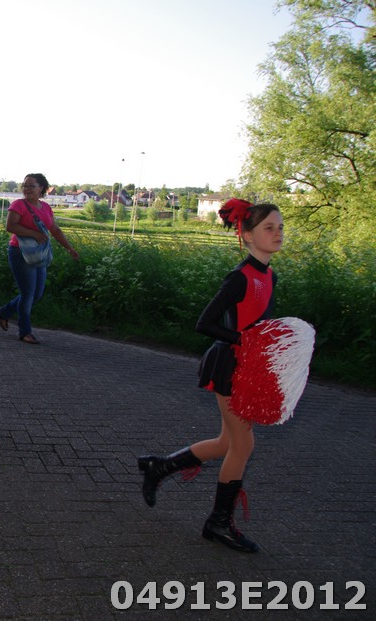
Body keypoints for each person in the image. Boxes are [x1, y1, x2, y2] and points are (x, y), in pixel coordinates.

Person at [136, 199, 284, 554]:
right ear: (247, 235)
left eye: (280, 227)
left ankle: (160, 467)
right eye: (269, 228)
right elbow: (205, 323)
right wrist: (246, 341)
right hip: (229, 366)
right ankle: (218, 522)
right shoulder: (239, 277)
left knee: (226, 443)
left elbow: (258, 324)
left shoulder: (270, 275)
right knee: (243, 446)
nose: (278, 233)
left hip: (247, 367)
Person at [0, 173, 79, 344]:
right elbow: (10, 226)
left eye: (31, 186)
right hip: (20, 252)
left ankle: (4, 312)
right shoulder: (18, 205)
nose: (27, 189)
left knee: (37, 294)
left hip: (39, 254)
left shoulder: (46, 207)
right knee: (27, 293)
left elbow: (55, 230)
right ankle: (25, 331)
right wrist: (33, 233)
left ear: (41, 188)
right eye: (25, 185)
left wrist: (69, 248)